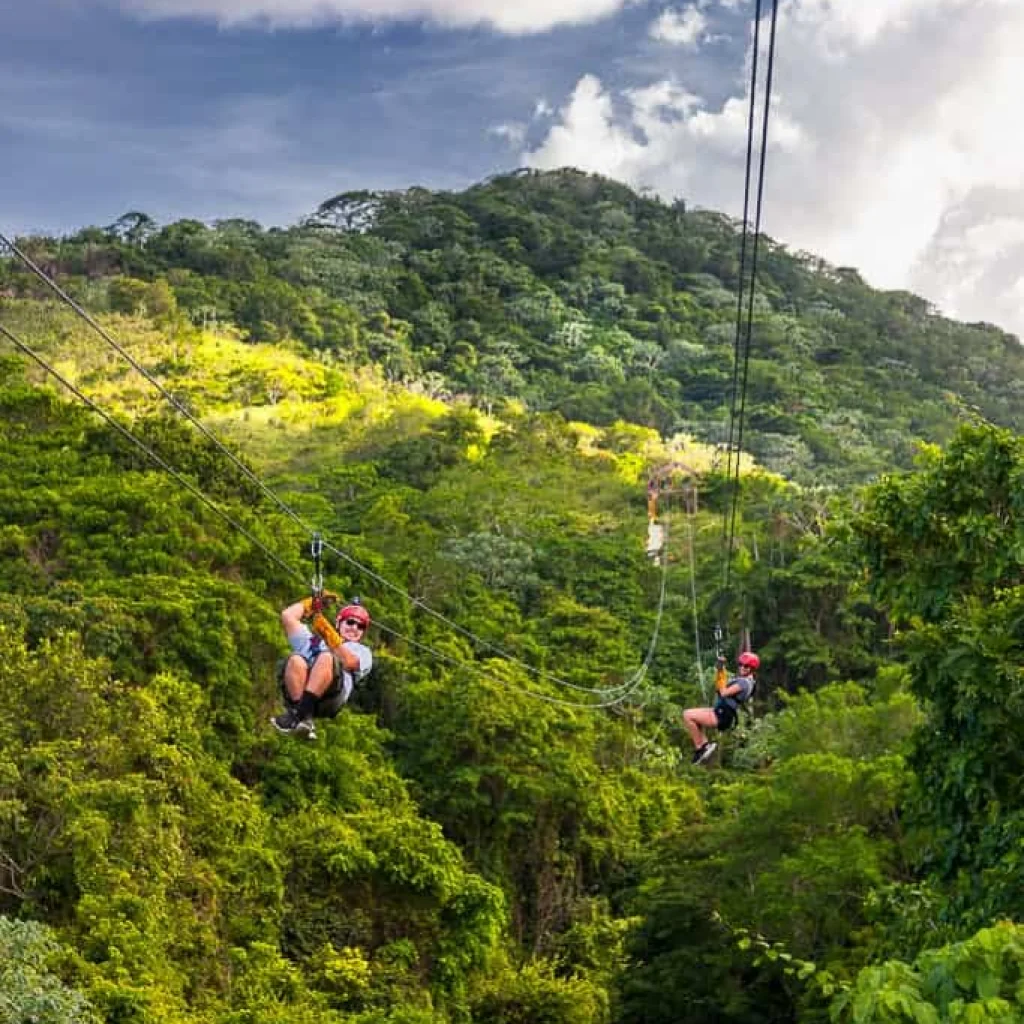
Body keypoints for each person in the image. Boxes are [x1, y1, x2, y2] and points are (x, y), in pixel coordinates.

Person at [271, 594, 373, 741]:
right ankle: (303, 717)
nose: (354, 628)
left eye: (360, 626)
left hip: (332, 697)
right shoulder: (315, 642)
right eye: (350, 622)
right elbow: (288, 616)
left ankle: (298, 715)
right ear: (339, 623)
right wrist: (312, 603)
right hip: (303, 692)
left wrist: (328, 634)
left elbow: (349, 662)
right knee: (295, 660)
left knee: (326, 657)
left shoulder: (361, 651)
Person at [683, 650, 759, 765]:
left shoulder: (744, 683)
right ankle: (704, 745)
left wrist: (722, 671)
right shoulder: (747, 681)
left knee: (687, 715)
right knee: (693, 717)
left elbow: (723, 692)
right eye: (741, 665)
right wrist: (720, 669)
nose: (742, 668)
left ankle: (700, 748)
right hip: (721, 712)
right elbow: (721, 686)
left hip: (722, 715)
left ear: (752, 669)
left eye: (746, 666)